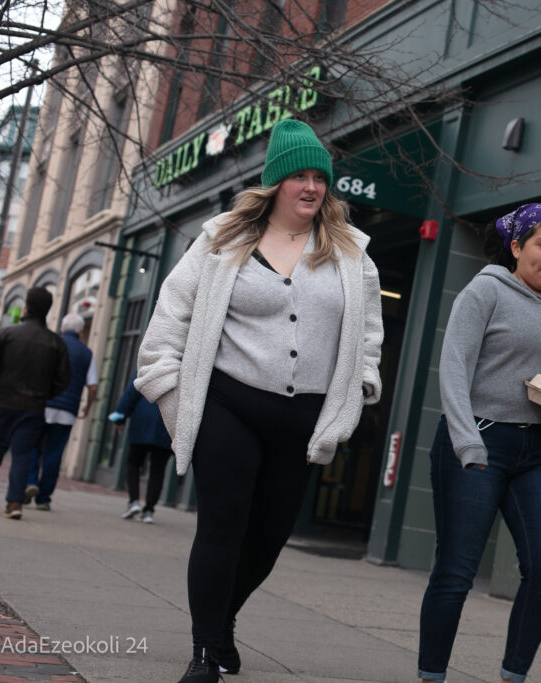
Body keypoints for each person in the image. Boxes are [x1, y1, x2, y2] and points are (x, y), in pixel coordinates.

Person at [135, 118, 383, 683]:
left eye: (321, 177)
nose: (313, 187)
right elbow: (173, 313)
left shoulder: (350, 252)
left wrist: (361, 386)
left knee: (269, 536)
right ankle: (203, 652)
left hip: (302, 418)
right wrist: (167, 387)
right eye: (300, 175)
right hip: (229, 405)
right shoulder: (223, 239)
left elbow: (368, 331)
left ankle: (222, 622)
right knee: (223, 523)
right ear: (275, 182)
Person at [417, 203, 541, 683]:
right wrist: (467, 445)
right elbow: (454, 369)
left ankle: (512, 675)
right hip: (479, 440)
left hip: (539, 449)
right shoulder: (485, 291)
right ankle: (431, 675)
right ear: (517, 246)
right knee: (456, 572)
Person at [0, 287, 71, 519]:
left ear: (27, 306)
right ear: (47, 309)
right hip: (34, 406)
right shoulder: (55, 342)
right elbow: (63, 379)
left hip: (3, 402)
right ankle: (14, 503)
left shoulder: (7, 334)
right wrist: (45, 394)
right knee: (23, 454)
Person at [24, 313, 97, 511]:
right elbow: (92, 387)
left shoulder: (50, 344)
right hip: (67, 412)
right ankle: (44, 498)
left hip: (42, 405)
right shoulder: (86, 353)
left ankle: (30, 481)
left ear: (62, 328)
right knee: (54, 454)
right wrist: (86, 408)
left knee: (33, 446)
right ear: (81, 331)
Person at [108, 372, 173, 524]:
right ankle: (149, 511)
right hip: (165, 426)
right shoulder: (177, 371)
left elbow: (130, 395)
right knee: (158, 470)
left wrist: (120, 418)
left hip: (141, 423)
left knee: (133, 463)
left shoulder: (146, 368)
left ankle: (133, 501)